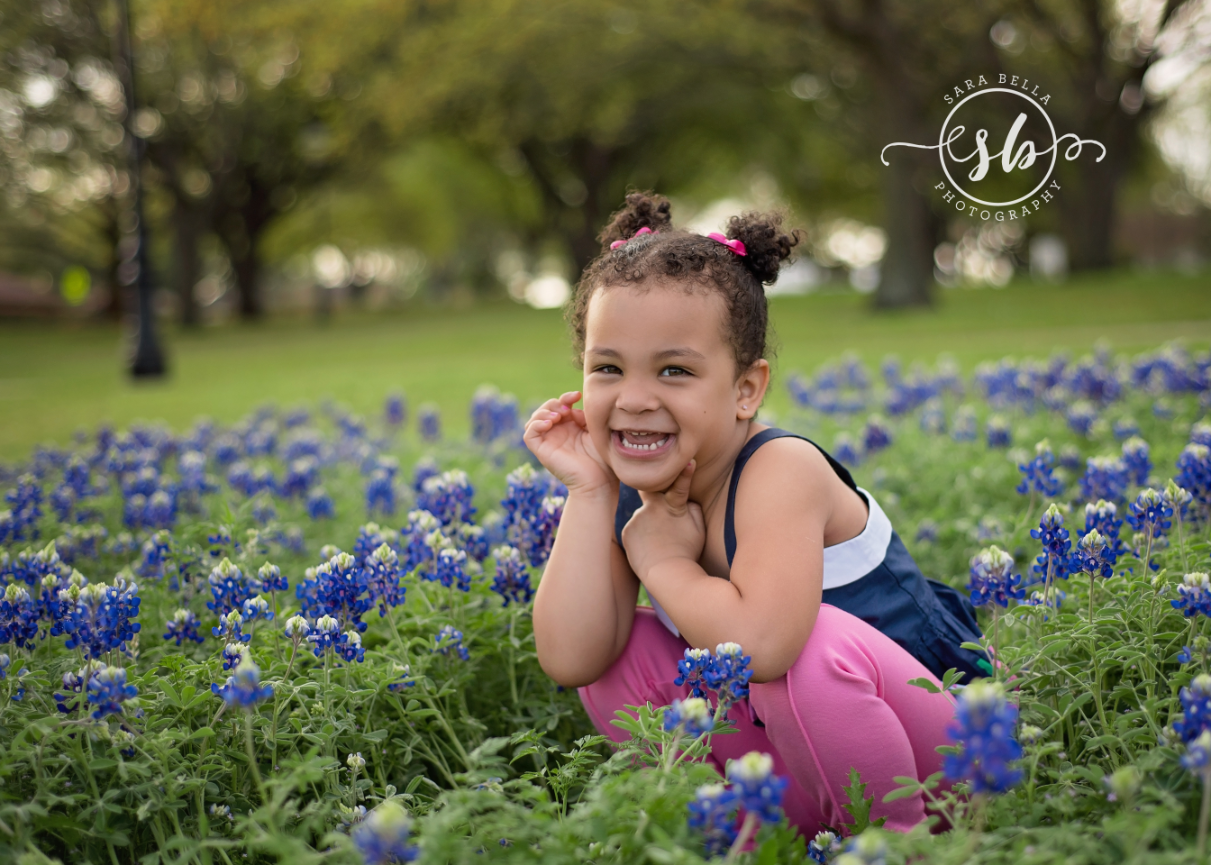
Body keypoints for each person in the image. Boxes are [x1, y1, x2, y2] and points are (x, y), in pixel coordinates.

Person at [524, 191, 984, 835]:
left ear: (746, 389)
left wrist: (663, 561)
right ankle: (746, 830)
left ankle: (898, 846)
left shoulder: (780, 469)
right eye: (607, 368)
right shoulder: (632, 484)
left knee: (806, 649)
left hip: (940, 760)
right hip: (791, 766)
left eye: (673, 370)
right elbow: (572, 658)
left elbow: (763, 649)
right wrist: (590, 492)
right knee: (614, 654)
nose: (633, 398)